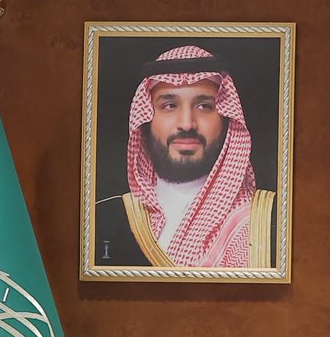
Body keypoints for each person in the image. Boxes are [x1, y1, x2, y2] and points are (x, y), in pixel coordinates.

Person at [93, 44, 274, 270]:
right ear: (146, 119)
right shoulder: (102, 220)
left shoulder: (270, 222)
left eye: (204, 106)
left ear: (227, 119)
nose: (187, 123)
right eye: (169, 106)